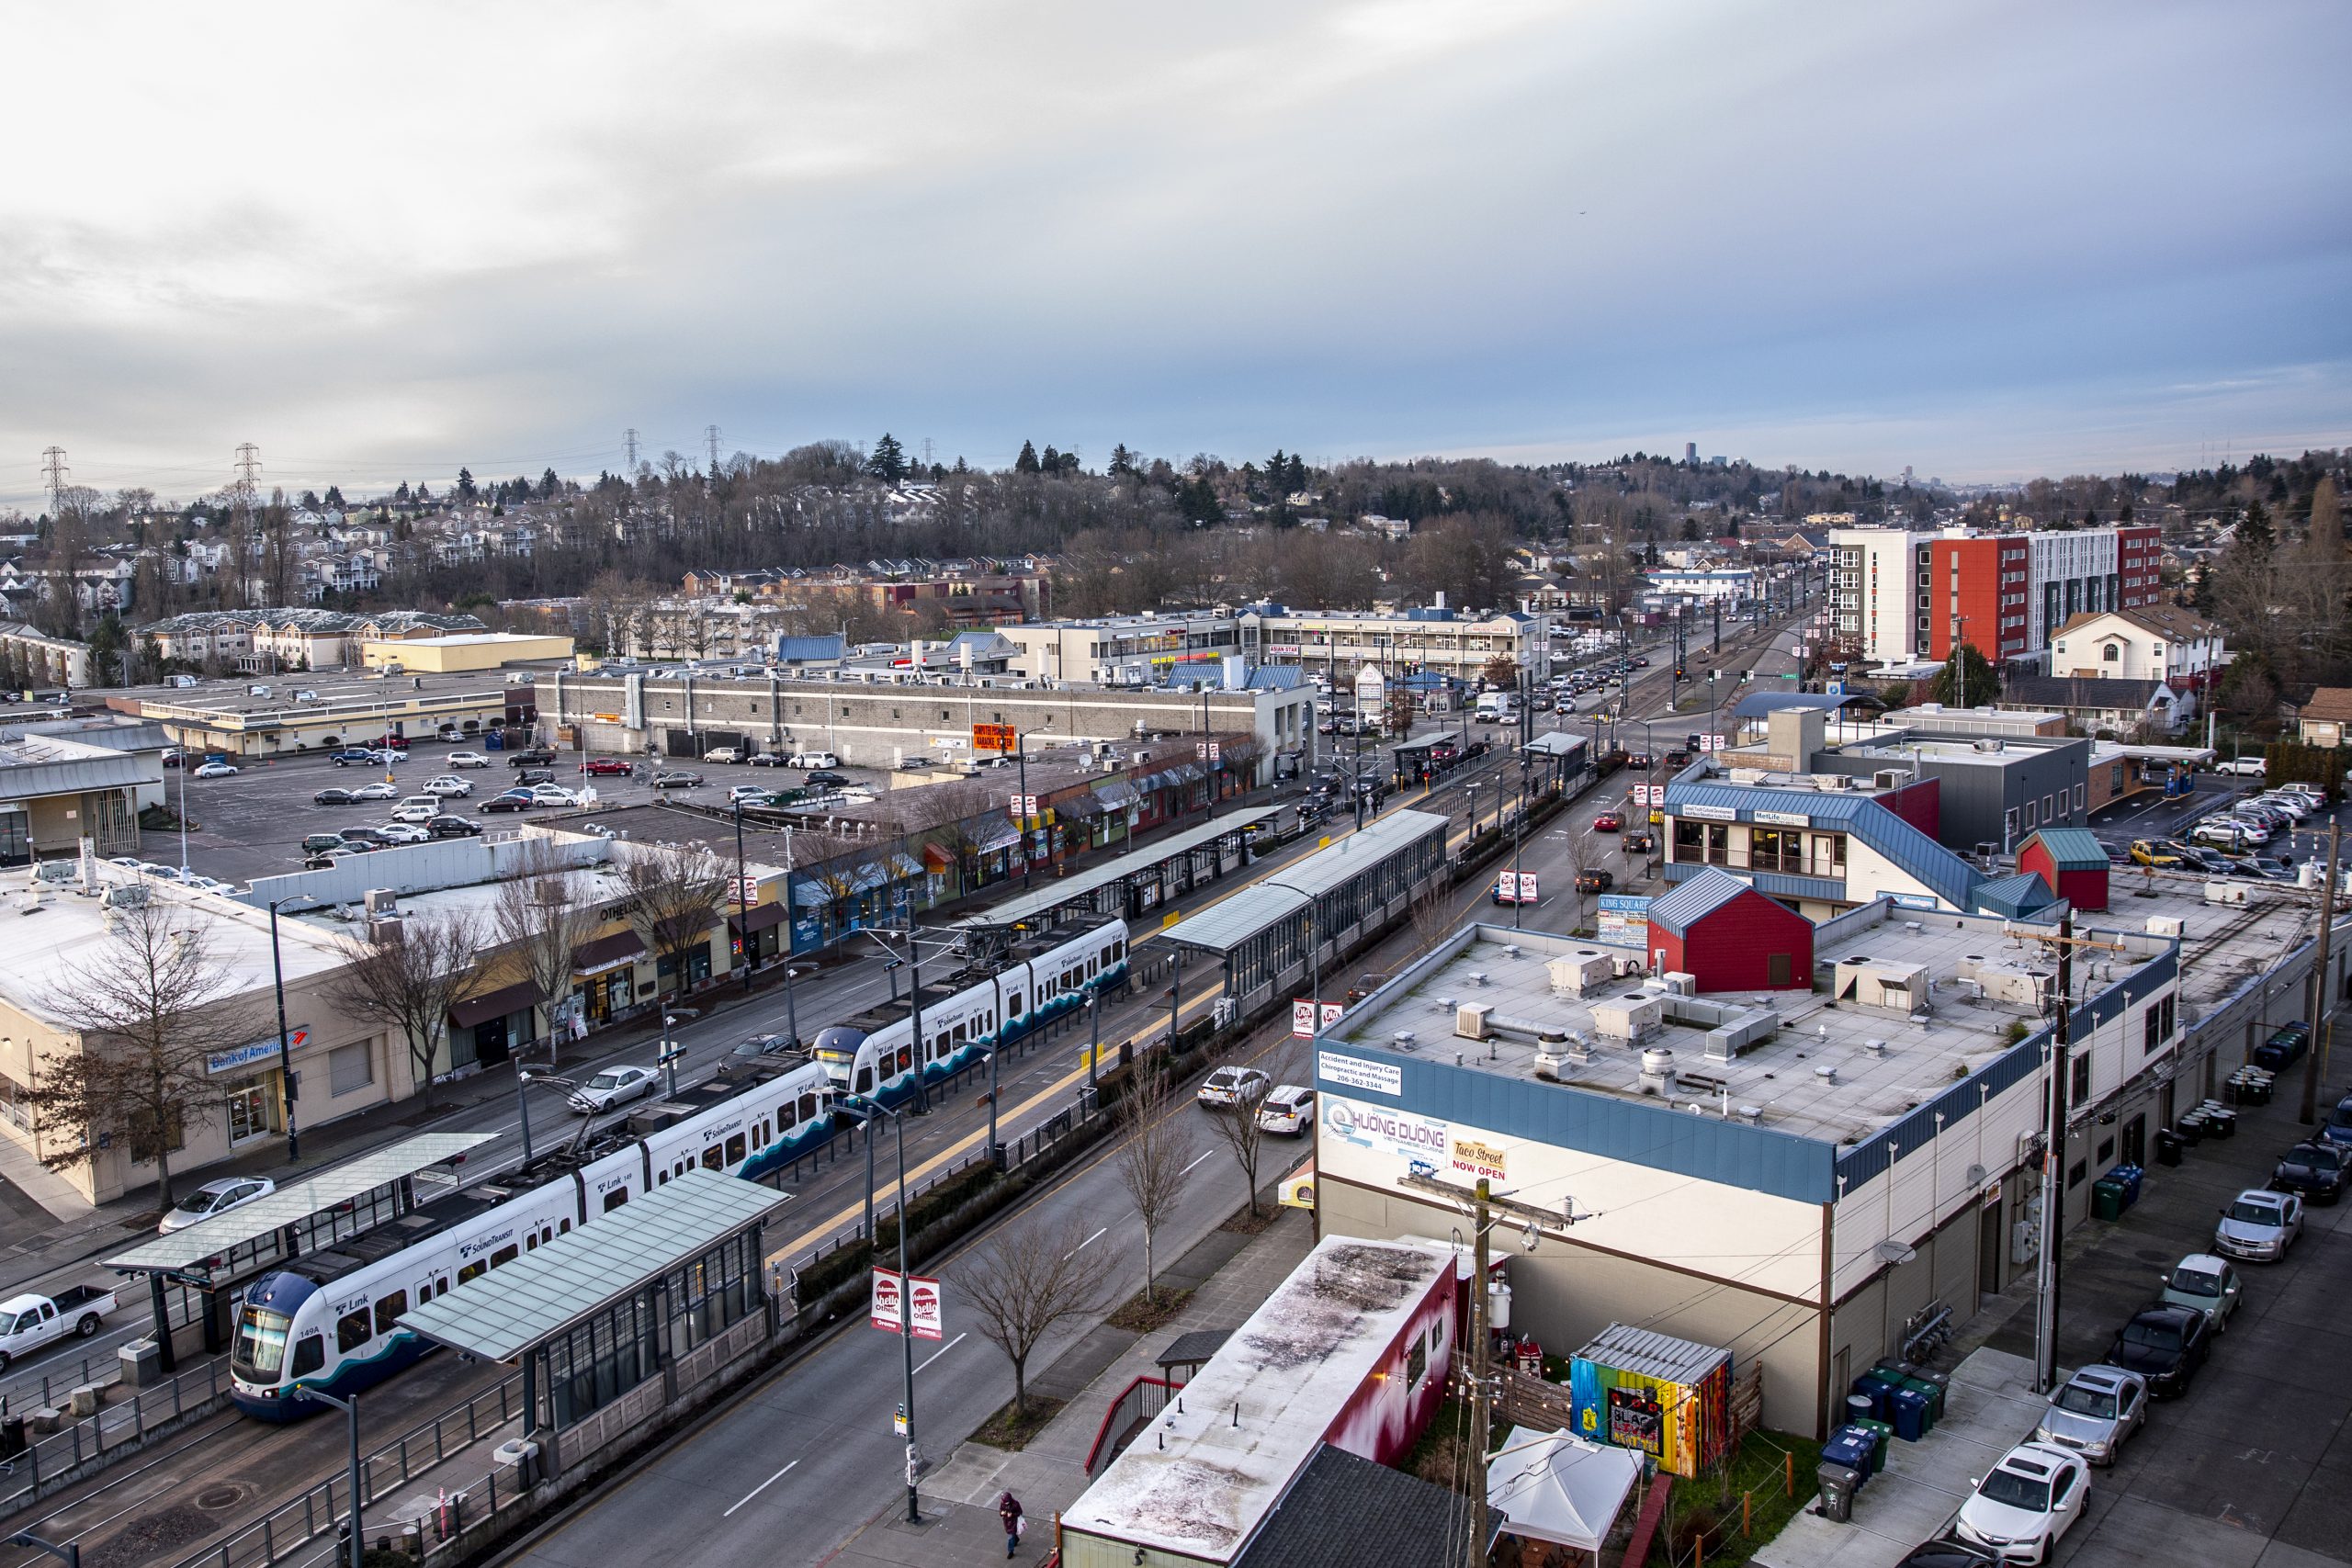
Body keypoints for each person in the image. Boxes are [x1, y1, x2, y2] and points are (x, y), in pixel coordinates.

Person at [997, 1490, 1023, 1558]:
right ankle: (1016, 1539)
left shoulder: (1015, 1504)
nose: (1005, 1503)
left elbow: (1020, 1512)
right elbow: (1001, 1509)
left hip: (1013, 1522)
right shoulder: (1003, 1503)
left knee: (1010, 1537)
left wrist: (1012, 1515)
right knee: (1012, 1534)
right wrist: (1001, 1513)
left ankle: (1010, 1551)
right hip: (1006, 1521)